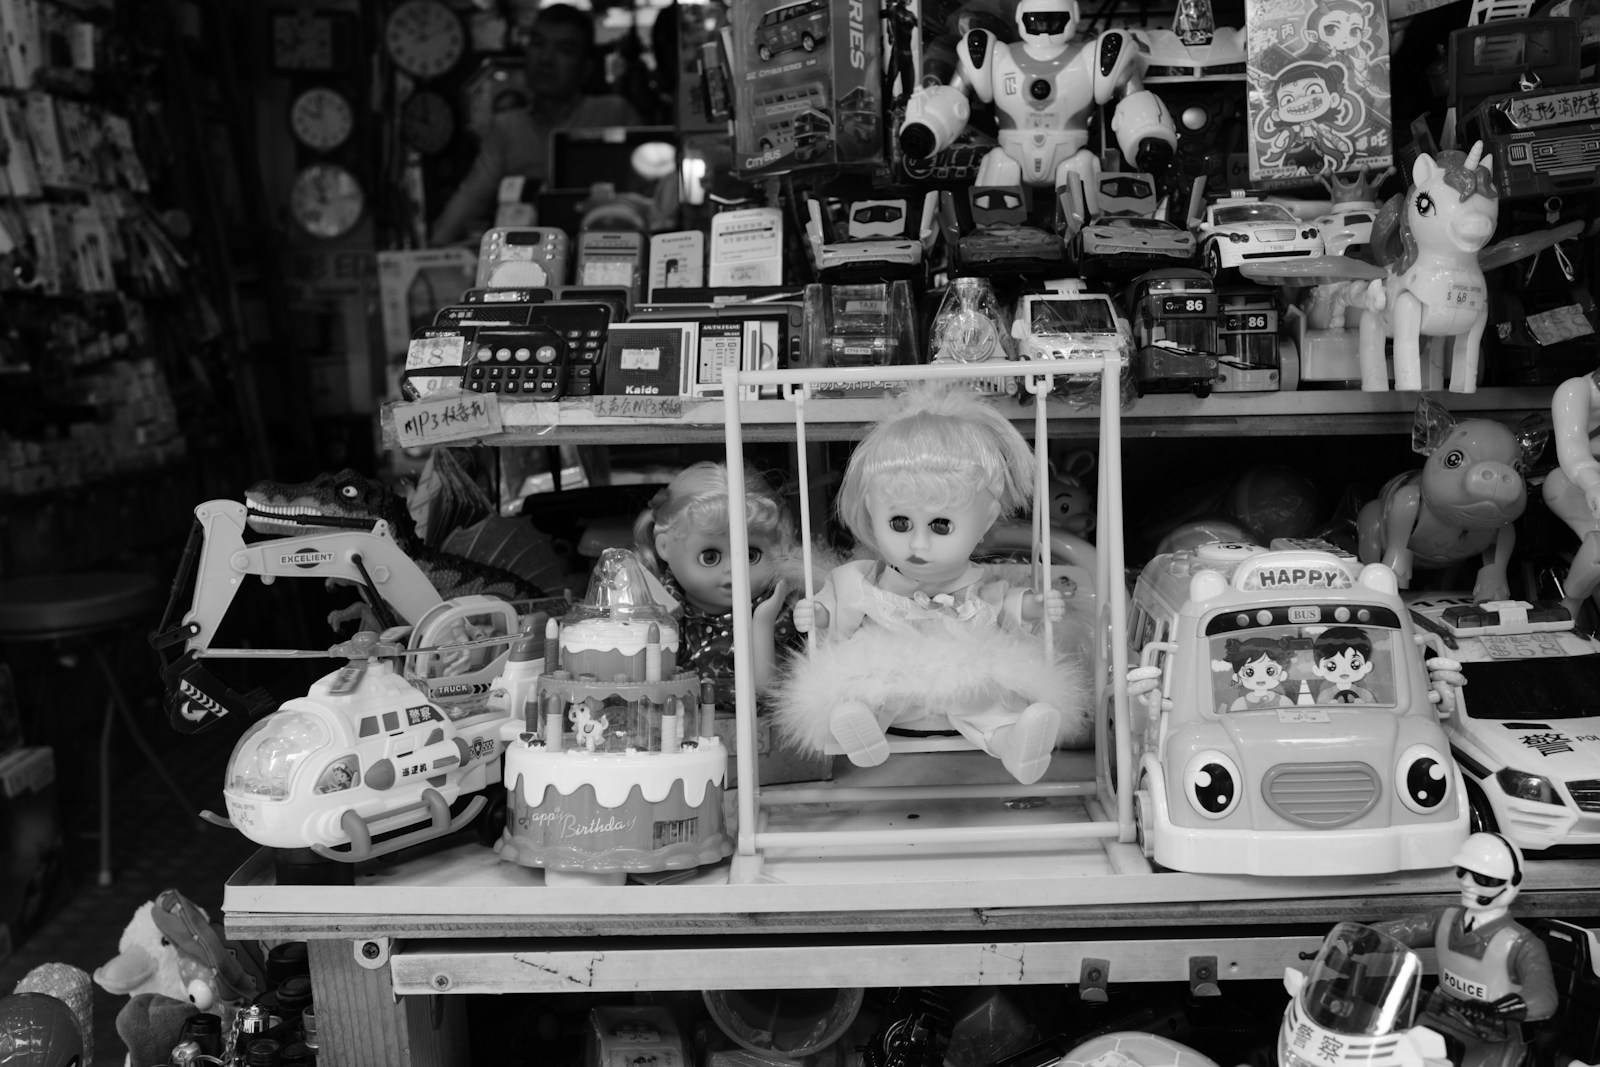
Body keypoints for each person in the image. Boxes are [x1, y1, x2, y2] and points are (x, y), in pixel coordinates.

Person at [776, 382, 1085, 785]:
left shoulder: (975, 587)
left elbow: (1001, 603)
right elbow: (841, 607)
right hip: (887, 663)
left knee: (985, 691)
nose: (918, 544)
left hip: (960, 665)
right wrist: (818, 612)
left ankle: (1014, 741)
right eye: (899, 523)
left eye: (941, 525)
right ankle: (856, 725)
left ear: (986, 521)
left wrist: (1033, 607)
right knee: (866, 684)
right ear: (871, 510)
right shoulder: (865, 583)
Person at [430, 4, 642, 246]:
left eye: (564, 49)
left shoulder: (612, 113)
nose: (546, 59)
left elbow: (647, 204)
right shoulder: (507, 128)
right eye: (538, 43)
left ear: (585, 68)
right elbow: (462, 210)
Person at [1374, 833, 1558, 1067]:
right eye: (1462, 872)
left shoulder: (1522, 944)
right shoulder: (1444, 920)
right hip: (1435, 1016)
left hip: (1492, 1037)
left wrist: (1496, 1011)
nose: (1466, 883)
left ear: (1511, 884)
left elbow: (1544, 998)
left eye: (1482, 878)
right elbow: (1406, 929)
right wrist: (1363, 938)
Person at [633, 462, 805, 711]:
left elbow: (768, 693)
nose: (733, 570)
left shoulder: (783, 611)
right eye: (710, 557)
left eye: (750, 555)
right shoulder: (660, 608)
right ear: (664, 546)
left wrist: (762, 623)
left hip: (760, 736)